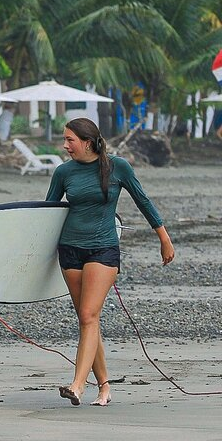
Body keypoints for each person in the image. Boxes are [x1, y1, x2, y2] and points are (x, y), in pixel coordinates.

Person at [46, 118, 174, 406]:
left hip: (103, 249)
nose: (65, 145)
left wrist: (163, 238)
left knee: (89, 315)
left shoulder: (118, 167)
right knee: (86, 319)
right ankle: (104, 386)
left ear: (88, 141)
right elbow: (48, 213)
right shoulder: (63, 172)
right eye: (65, 140)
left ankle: (77, 385)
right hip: (70, 250)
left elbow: (143, 200)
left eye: (70, 140)